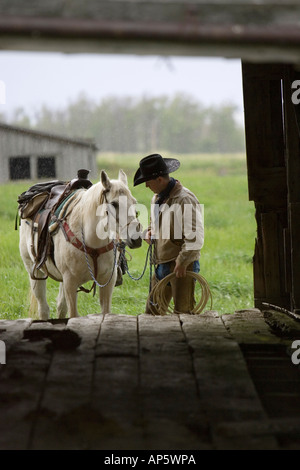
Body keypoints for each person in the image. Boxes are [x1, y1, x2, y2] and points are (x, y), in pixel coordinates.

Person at [133, 153, 204, 314]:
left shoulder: (184, 199)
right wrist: (150, 232)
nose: (146, 186)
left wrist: (183, 261)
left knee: (183, 313)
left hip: (180, 264)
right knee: (152, 312)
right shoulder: (157, 198)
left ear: (159, 180)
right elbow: (155, 223)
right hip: (162, 262)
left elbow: (195, 236)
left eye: (148, 182)